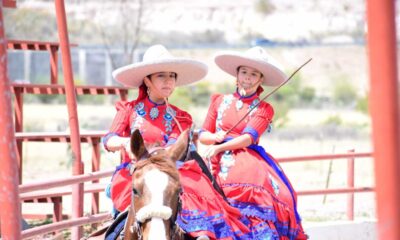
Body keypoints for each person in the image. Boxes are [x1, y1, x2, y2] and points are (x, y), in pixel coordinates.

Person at [196, 46, 308, 239]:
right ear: (237, 74)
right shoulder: (219, 101)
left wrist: (221, 147)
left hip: (245, 157)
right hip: (213, 157)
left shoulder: (264, 108)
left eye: (253, 74)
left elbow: (248, 138)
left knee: (252, 182)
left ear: (260, 79)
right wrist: (213, 139)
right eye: (244, 72)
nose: (247, 77)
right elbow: (202, 133)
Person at [102, 44, 207, 215]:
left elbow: (173, 147)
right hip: (137, 172)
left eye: (172, 76)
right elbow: (108, 139)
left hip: (168, 171)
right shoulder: (129, 110)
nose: (168, 81)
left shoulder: (180, 117)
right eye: (161, 76)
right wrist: (125, 142)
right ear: (147, 80)